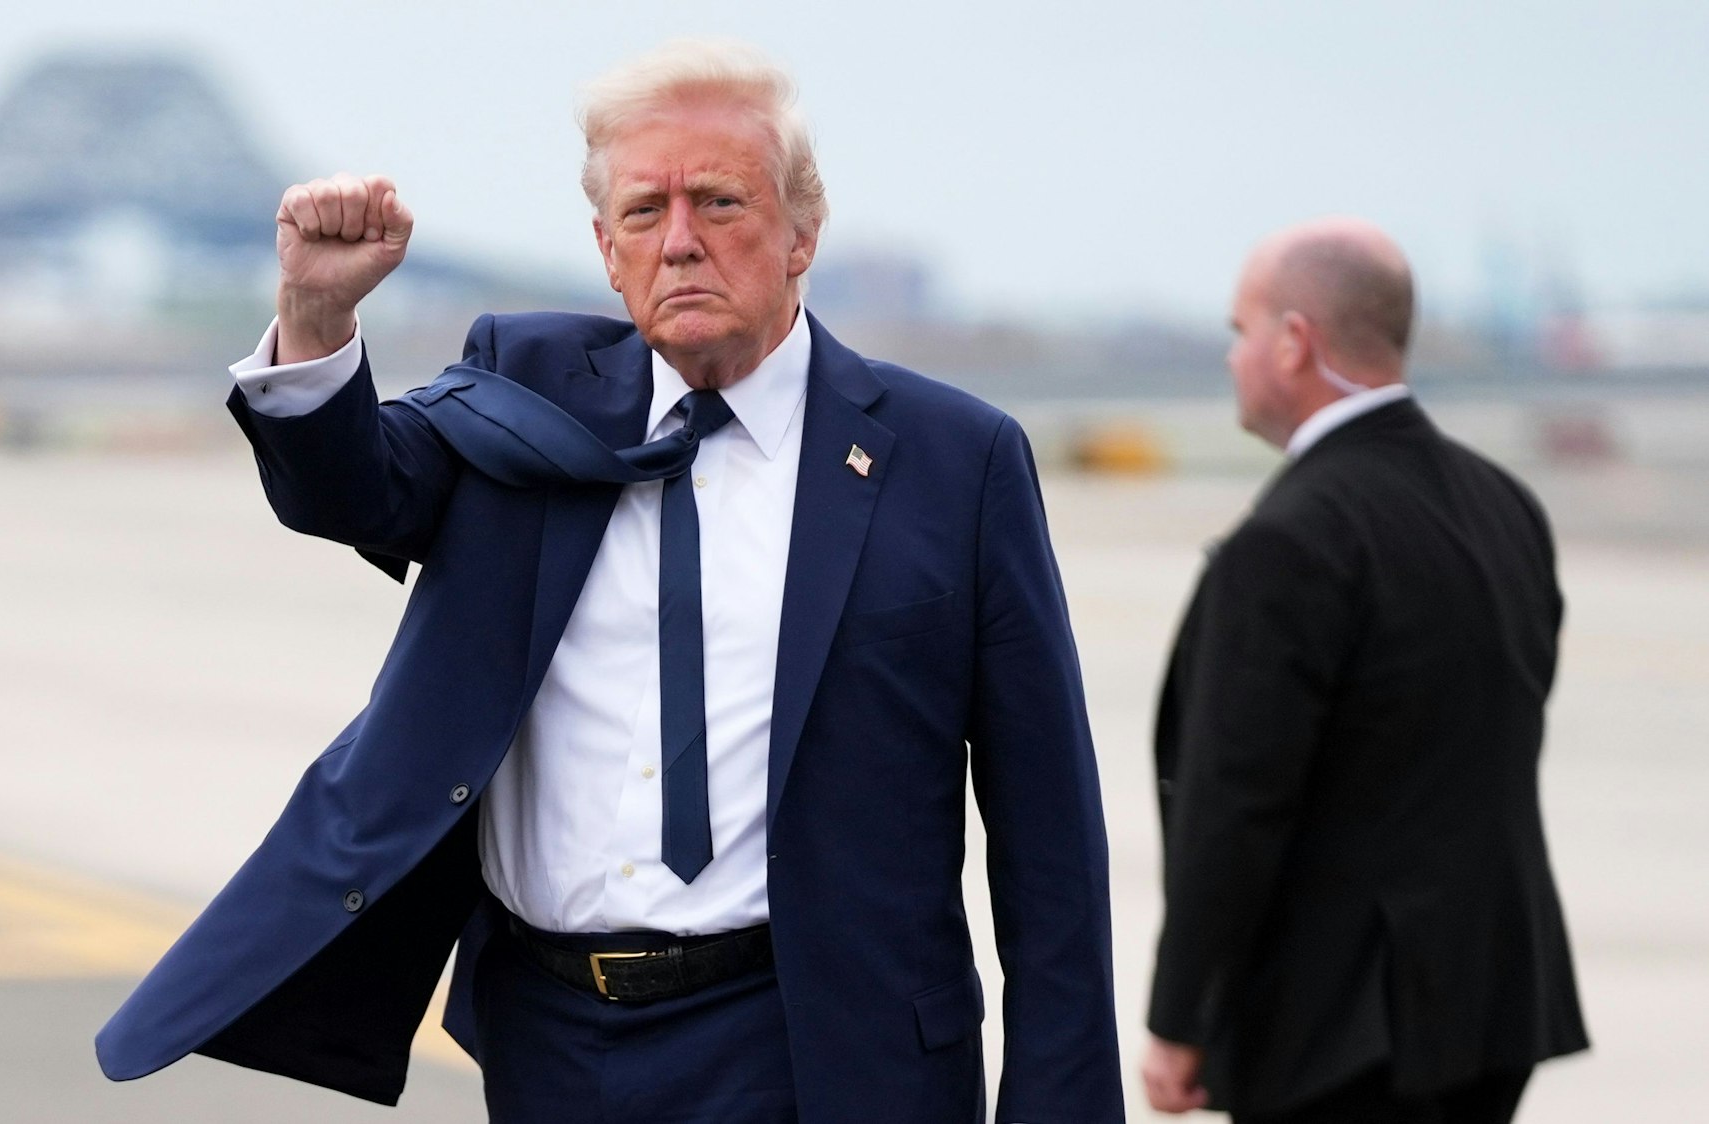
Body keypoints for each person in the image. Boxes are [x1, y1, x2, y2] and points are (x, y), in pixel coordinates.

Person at [96, 40, 1124, 1123]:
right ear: (606, 249)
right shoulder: (526, 390)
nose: (679, 240)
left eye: (719, 201)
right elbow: (351, 492)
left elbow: (1049, 836)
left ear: (802, 232)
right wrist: (315, 316)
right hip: (550, 1043)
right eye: (643, 212)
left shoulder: (954, 459)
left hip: (817, 1047)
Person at [1140, 218, 1588, 1123]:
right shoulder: (1506, 505)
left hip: (1343, 1025)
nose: (1232, 357)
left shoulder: (1290, 541)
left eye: (1240, 331)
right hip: (1492, 1002)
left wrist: (1181, 1015)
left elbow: (1236, 802)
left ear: (1294, 342)